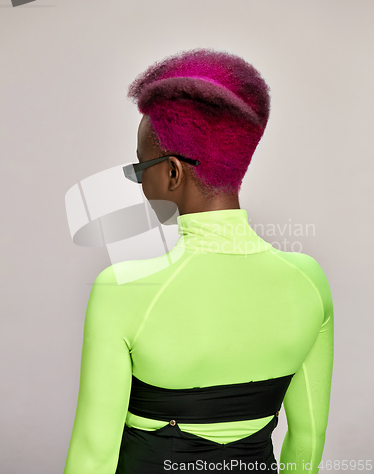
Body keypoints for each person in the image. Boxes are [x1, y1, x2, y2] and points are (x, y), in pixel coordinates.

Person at [63, 48, 334, 474]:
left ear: (172, 172)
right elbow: (308, 438)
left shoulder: (122, 289)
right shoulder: (308, 281)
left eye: (140, 169)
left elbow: (93, 455)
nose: (139, 182)